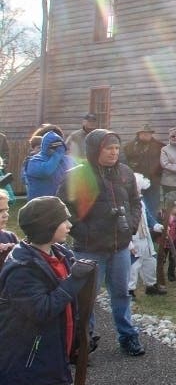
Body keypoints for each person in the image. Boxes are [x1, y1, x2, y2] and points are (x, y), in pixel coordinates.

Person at [0, 196, 96, 385]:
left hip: (53, 355)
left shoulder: (61, 254)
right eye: (63, 220)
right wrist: (74, 281)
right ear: (46, 225)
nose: (69, 225)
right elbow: (42, 309)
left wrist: (77, 338)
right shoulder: (22, 268)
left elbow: (71, 304)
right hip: (26, 359)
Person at [58, 128, 146, 356]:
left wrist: (132, 226)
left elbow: (136, 202)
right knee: (86, 298)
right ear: (95, 149)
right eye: (109, 148)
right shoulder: (78, 175)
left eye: (117, 148)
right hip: (89, 249)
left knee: (121, 293)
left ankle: (128, 337)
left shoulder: (125, 173)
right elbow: (62, 208)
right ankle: (83, 341)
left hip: (119, 248)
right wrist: (82, 231)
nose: (114, 152)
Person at [127, 174, 166, 297]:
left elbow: (148, 217)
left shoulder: (142, 203)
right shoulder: (126, 205)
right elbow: (123, 226)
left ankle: (151, 285)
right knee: (133, 267)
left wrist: (157, 226)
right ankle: (130, 290)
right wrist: (128, 243)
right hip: (133, 239)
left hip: (145, 239)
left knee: (150, 262)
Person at [124, 124, 165, 217]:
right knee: (137, 204)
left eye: (148, 133)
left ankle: (153, 227)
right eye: (143, 133)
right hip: (136, 181)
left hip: (153, 181)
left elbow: (164, 162)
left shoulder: (160, 146)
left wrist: (157, 172)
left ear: (151, 134)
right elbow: (125, 162)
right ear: (138, 134)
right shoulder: (129, 146)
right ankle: (138, 226)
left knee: (153, 205)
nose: (146, 135)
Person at [24, 130, 72, 200]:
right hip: (40, 203)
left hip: (62, 203)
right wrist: (57, 155)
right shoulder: (34, 161)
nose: (56, 149)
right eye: (52, 146)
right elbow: (46, 171)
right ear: (45, 146)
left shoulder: (67, 160)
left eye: (58, 146)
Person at [0, 192, 16, 266]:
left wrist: (14, 249)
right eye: (0, 211)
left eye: (6, 210)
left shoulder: (10, 236)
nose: (6, 215)